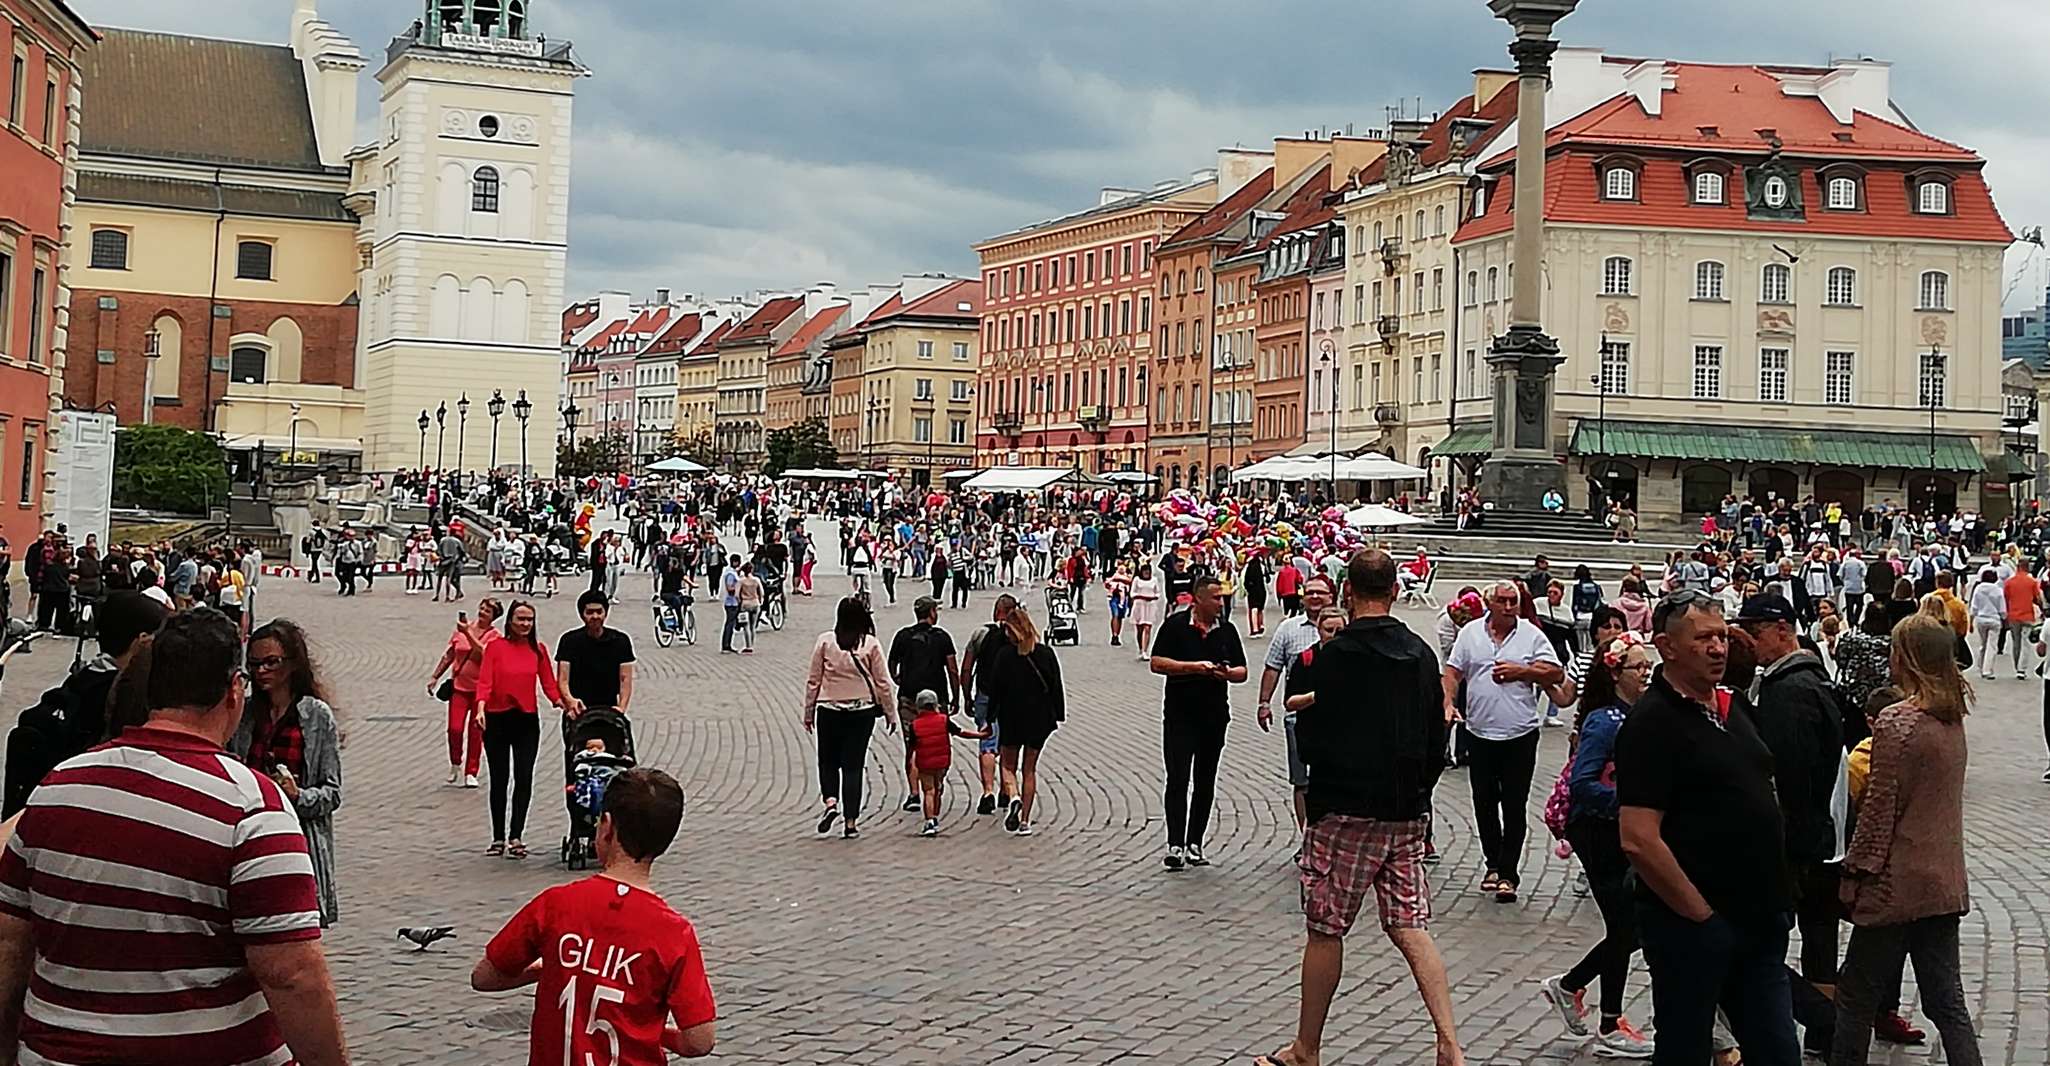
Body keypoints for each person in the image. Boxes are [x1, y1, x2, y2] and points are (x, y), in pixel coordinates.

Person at [0, 607, 349, 1066]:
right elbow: (292, 975)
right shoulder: (252, 808)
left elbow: (10, 944)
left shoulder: (59, 787)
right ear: (234, 692)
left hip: (60, 1051)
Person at [1255, 550, 1458, 1066]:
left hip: (1345, 808)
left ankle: (1307, 1048)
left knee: (1326, 929)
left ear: (1348, 593)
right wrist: (1420, 790)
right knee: (1411, 924)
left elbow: (1318, 733)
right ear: (1394, 590)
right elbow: (1436, 731)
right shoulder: (1418, 652)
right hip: (1407, 811)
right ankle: (1449, 1042)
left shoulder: (1338, 654)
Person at [1616, 591, 1801, 1066]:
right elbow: (1638, 836)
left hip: (1760, 920)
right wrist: (1701, 917)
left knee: (1778, 1050)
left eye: (1721, 636)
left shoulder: (1733, 706)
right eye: (1703, 639)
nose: (1719, 648)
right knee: (1686, 1048)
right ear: (1667, 645)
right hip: (1694, 926)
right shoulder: (1652, 722)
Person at [473, 767, 717, 1062]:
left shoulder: (556, 904)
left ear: (607, 826)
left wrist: (546, 968)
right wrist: (658, 1033)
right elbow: (700, 1041)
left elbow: (484, 977)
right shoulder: (674, 933)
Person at [1830, 615, 1983, 1066]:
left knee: (1856, 992)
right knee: (1946, 999)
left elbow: (1879, 811)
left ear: (1908, 657)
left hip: (1896, 881)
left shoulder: (1898, 721)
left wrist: (1854, 871)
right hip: (1942, 879)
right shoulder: (1951, 718)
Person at [1541, 631, 1656, 1057]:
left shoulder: (1637, 714)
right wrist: (1632, 803)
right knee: (1627, 925)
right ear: (1615, 673)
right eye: (1638, 667)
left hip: (1621, 830)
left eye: (1648, 666)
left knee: (1632, 925)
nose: (1645, 673)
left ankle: (1571, 986)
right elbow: (1584, 784)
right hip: (1598, 833)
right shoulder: (1603, 721)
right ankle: (1608, 1022)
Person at [1442, 581, 1562, 903]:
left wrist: (1523, 671)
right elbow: (1452, 672)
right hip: (1478, 732)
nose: (1510, 607)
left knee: (1514, 803)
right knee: (1483, 802)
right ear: (1490, 602)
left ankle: (1509, 874)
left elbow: (1555, 673)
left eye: (1515, 601)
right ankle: (1492, 863)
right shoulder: (1470, 633)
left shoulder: (1531, 635)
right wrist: (1448, 703)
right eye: (1503, 601)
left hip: (1519, 733)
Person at [234, 619, 345, 927]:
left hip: (297, 842)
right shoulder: (243, 714)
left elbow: (333, 793)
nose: (261, 672)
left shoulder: (315, 716)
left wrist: (297, 795)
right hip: (249, 836)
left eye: (271, 662)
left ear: (292, 665)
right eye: (254, 664)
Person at [1149, 575, 1248, 870]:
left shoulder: (1227, 630)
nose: (1221, 603)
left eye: (1222, 598)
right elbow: (1157, 663)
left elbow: (1243, 671)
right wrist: (1192, 667)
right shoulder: (1175, 626)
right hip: (1180, 715)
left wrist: (1226, 674)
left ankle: (1195, 842)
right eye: (1216, 598)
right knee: (1178, 778)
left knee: (1206, 780)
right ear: (1199, 599)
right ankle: (1175, 843)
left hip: (1214, 715)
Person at [474, 601, 571, 859]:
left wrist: (564, 704)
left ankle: (516, 835)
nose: (525, 624)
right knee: (499, 778)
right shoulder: (495, 647)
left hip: (526, 720)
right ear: (510, 621)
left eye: (529, 619)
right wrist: (481, 708)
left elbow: (549, 684)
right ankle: (498, 837)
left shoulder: (538, 650)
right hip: (496, 719)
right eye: (520, 619)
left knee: (524, 777)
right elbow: (485, 681)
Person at [804, 596, 894, 839]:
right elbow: (883, 682)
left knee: (827, 760)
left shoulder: (825, 641)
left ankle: (831, 803)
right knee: (853, 766)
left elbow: (814, 680)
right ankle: (851, 822)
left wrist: (808, 712)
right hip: (861, 711)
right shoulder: (870, 644)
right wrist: (890, 712)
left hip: (829, 709)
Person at [1258, 574, 1337, 832]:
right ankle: (1307, 836)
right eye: (1310, 592)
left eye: (1320, 592)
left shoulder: (1345, 624)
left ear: (1331, 596)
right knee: (1301, 780)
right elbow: (1273, 666)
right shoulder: (1288, 628)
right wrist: (1264, 702)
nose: (1314, 596)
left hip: (1338, 718)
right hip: (1299, 714)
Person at [984, 606, 1065, 837]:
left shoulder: (1005, 656)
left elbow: (995, 691)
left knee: (1008, 766)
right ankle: (1025, 822)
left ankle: (1014, 797)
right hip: (1039, 720)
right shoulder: (1046, 653)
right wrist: (1058, 715)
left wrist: (989, 720)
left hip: (1011, 718)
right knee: (1030, 769)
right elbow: (1056, 687)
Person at [889, 596, 962, 814]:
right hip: (936, 701)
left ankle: (914, 793)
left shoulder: (903, 636)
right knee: (937, 744)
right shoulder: (942, 637)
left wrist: (898, 678)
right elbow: (952, 669)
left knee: (912, 745)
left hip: (909, 698)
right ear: (931, 613)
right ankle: (935, 786)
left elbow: (892, 662)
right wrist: (956, 696)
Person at [430, 598, 501, 788]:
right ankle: (455, 763)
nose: (483, 612)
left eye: (488, 611)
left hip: (481, 692)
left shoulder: (495, 636)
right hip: (459, 688)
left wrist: (468, 634)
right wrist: (435, 676)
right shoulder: (462, 629)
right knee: (455, 728)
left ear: (494, 617)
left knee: (476, 732)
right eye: (482, 608)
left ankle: (472, 771)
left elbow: (484, 653)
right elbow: (450, 654)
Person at [958, 593, 1017, 815]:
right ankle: (1006, 789)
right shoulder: (1018, 636)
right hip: (1010, 698)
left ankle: (988, 791)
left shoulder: (981, 634)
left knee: (987, 742)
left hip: (985, 694)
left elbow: (966, 668)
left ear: (996, 611)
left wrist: (965, 695)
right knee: (1009, 743)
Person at [907, 688, 990, 837]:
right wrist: (980, 735)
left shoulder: (915, 725)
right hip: (942, 761)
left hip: (924, 762)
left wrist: (910, 761)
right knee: (938, 787)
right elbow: (961, 732)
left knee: (928, 791)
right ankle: (936, 815)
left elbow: (912, 747)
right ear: (935, 705)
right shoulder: (944, 720)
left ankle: (929, 820)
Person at [557, 590, 637, 720]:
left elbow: (625, 679)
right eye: (589, 612)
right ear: (581, 614)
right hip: (578, 710)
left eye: (599, 611)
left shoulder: (621, 641)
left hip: (609, 708)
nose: (595, 616)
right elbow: (563, 679)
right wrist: (570, 701)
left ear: (606, 613)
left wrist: (621, 708)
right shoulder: (569, 641)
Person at [2003, 558, 2042, 679]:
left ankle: (2017, 665)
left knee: (2016, 642)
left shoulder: (2009, 582)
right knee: (2026, 642)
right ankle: (2022, 668)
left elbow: (2005, 598)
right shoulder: (2032, 582)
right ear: (2027, 567)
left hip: (2013, 615)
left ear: (2018, 567)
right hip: (2027, 615)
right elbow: (2038, 598)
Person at [719, 552, 744, 654]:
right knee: (729, 623)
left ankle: (728, 644)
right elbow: (730, 588)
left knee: (732, 623)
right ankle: (726, 645)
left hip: (734, 602)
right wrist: (739, 588)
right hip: (731, 602)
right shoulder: (730, 574)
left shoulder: (733, 572)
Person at [737, 563, 764, 654]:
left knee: (746, 626)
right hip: (755, 603)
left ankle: (748, 645)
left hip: (745, 603)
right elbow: (761, 592)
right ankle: (751, 644)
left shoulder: (741, 581)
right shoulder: (756, 580)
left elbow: (737, 595)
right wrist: (760, 600)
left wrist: (740, 602)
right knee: (753, 626)